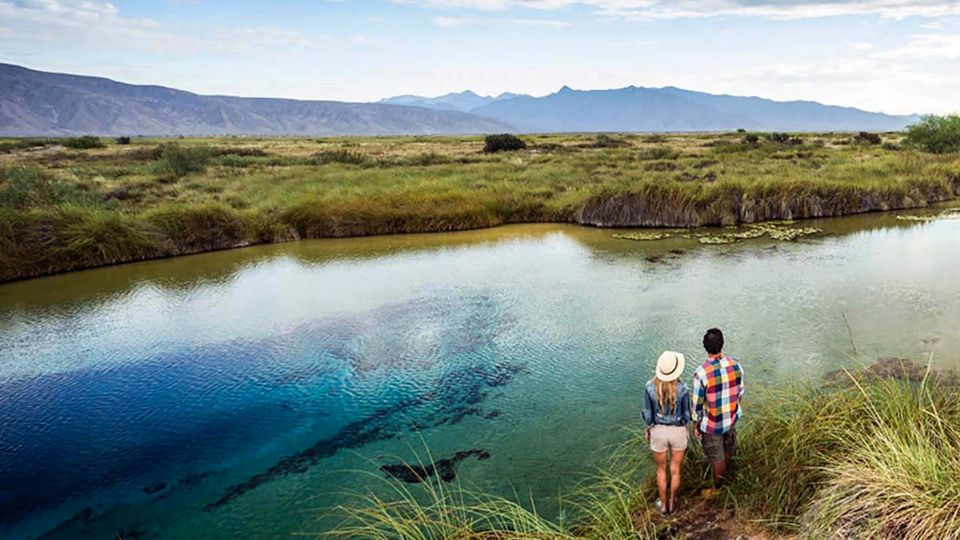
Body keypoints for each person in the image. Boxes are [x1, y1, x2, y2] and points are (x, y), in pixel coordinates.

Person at [691, 328, 744, 494]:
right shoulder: (736, 365)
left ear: (705, 347)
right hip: (731, 418)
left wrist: (696, 423)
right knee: (728, 449)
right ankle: (726, 480)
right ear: (722, 344)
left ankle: (717, 489)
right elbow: (740, 392)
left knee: (716, 457)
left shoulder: (701, 373)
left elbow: (697, 404)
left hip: (712, 424)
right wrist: (732, 410)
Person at [643, 350, 692, 515]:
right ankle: (673, 504)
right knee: (675, 469)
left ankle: (663, 507)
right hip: (678, 431)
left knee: (661, 469)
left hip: (658, 432)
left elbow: (648, 415)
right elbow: (687, 415)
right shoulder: (683, 388)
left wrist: (649, 428)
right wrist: (686, 428)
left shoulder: (649, 387)